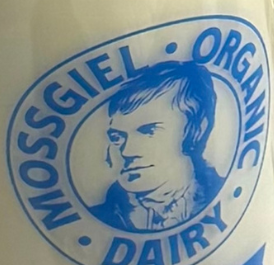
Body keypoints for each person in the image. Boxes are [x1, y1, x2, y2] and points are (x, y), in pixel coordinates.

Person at [90, 62, 226, 233]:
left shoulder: (226, 194)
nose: (126, 151)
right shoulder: (94, 220)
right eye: (117, 138)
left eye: (148, 131)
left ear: (195, 131)